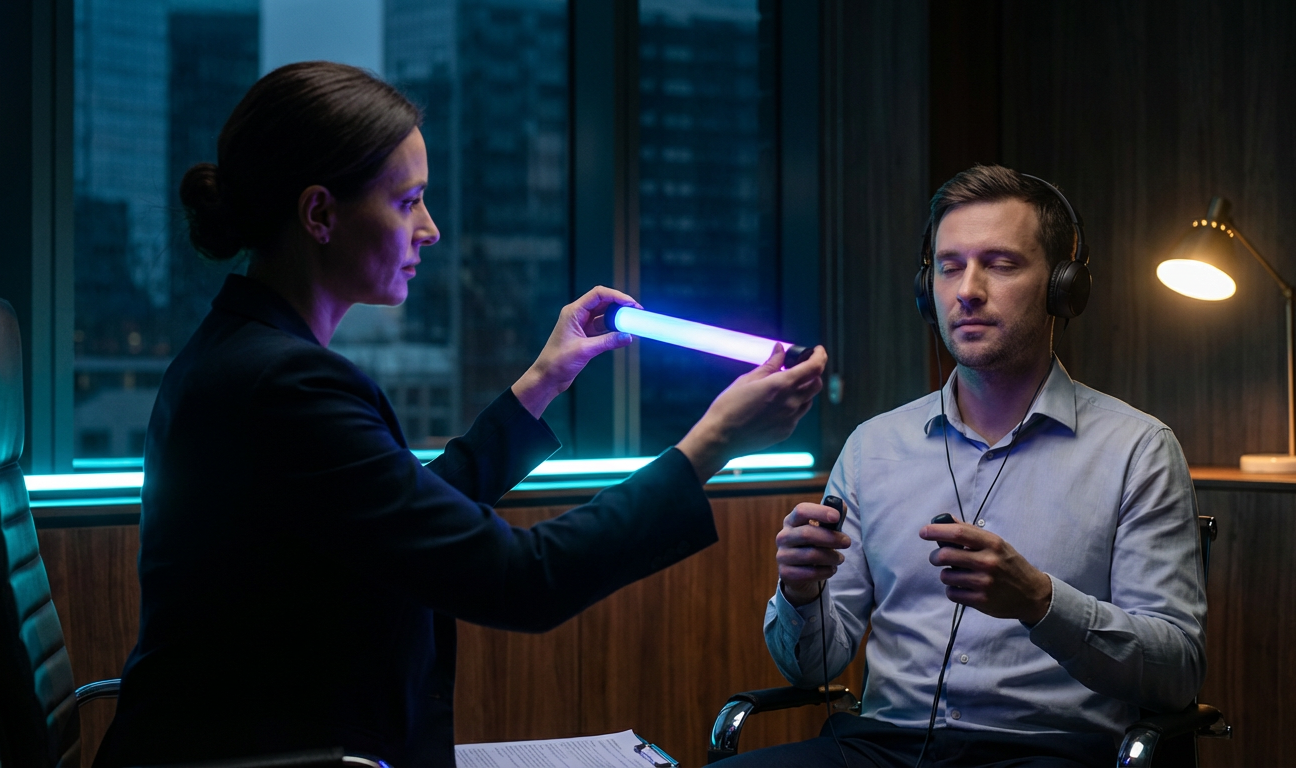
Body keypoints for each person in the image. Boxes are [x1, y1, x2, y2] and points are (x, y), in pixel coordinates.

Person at [92, 61, 826, 768]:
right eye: (408, 201)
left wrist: (543, 379)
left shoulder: (246, 358)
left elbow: (407, 513)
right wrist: (713, 442)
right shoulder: (282, 387)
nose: (430, 229)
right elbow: (521, 579)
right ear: (320, 213)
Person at [724, 165, 1206, 767]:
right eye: (950, 266)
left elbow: (1178, 672)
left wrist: (1039, 601)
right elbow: (814, 666)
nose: (967, 290)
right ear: (928, 290)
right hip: (880, 748)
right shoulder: (873, 446)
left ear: (1062, 288)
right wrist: (799, 592)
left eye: (1000, 264)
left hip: (1048, 753)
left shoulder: (1138, 450)